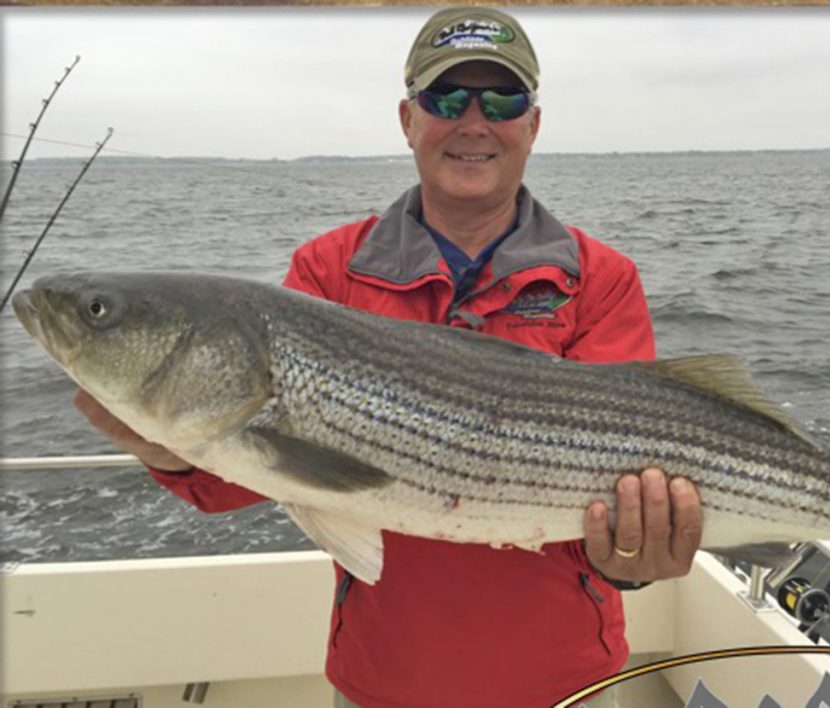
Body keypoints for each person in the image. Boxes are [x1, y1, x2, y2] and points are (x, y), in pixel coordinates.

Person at [74, 7, 703, 708]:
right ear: (408, 119)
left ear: (532, 124)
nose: (473, 122)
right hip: (382, 680)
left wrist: (633, 561)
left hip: (567, 680)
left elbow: (624, 513)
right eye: (445, 98)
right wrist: (166, 448)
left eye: (501, 100)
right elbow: (246, 480)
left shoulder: (599, 278)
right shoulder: (328, 271)